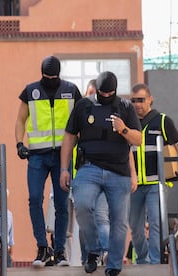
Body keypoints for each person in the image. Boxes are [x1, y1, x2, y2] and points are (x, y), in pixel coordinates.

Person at [60, 71, 142, 276]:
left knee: (119, 220)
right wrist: (64, 169)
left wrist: (123, 129)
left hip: (119, 171)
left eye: (110, 93)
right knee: (82, 206)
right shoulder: (83, 106)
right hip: (89, 168)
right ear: (97, 90)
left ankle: (114, 264)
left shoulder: (125, 107)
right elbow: (69, 137)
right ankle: (93, 250)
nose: (106, 96)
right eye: (102, 93)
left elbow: (138, 139)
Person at [15, 55, 82, 267]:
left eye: (53, 77)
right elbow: (20, 119)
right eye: (46, 77)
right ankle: (43, 247)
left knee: (62, 203)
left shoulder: (71, 91)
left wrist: (81, 147)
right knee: (35, 198)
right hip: (37, 155)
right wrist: (19, 143)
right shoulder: (31, 91)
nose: (49, 80)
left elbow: (80, 120)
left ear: (58, 75)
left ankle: (60, 250)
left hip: (63, 155)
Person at [128, 83, 178, 264]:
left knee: (156, 223)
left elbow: (176, 147)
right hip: (133, 185)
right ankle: (142, 260)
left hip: (155, 184)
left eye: (141, 100)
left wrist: (171, 173)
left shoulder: (163, 121)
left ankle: (155, 261)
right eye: (133, 100)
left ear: (150, 99)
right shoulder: (128, 123)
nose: (136, 104)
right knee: (134, 227)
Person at [78, 79, 110, 266]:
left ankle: (105, 252)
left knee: (100, 215)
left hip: (105, 174)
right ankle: (88, 257)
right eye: (90, 92)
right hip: (82, 175)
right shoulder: (79, 116)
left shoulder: (108, 116)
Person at [0, 189, 14, 267]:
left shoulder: (9, 214)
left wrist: (11, 245)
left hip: (5, 246)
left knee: (8, 263)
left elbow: (10, 232)